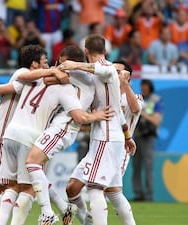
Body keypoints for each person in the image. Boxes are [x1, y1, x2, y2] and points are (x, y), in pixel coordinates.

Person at [0, 45, 107, 225]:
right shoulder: (57, 80)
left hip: (59, 129)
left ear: (71, 62)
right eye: (52, 63)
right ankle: (63, 208)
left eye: (60, 63)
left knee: (28, 173)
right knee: (32, 176)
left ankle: (48, 212)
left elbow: (78, 115)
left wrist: (94, 116)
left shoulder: (71, 81)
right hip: (41, 130)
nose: (57, 66)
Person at [58, 34, 136, 225]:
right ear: (105, 49)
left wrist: (74, 65)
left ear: (86, 51)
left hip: (105, 138)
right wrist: (128, 137)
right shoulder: (99, 75)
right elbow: (117, 112)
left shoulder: (108, 69)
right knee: (109, 191)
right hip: (111, 137)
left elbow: (100, 68)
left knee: (94, 188)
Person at [0, 45, 43, 225]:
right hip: (0, 139)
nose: (47, 66)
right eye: (45, 63)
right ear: (34, 64)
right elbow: (1, 89)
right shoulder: (24, 73)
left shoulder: (27, 77)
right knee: (10, 188)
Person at [132, 79, 163, 202]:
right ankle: (138, 194)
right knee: (136, 167)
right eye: (142, 86)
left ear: (150, 87)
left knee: (148, 167)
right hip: (137, 135)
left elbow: (156, 120)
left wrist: (142, 113)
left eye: (146, 86)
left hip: (148, 137)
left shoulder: (155, 100)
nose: (144, 88)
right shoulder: (137, 99)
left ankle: (149, 195)